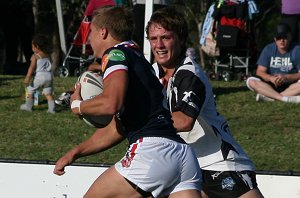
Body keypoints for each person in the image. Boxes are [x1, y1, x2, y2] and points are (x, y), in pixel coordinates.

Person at [53, 6, 202, 198]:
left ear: (103, 32)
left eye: (91, 33)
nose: (89, 40)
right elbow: (118, 128)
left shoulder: (115, 54)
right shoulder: (138, 59)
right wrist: (75, 152)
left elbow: (110, 104)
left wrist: (77, 105)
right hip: (182, 156)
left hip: (152, 152)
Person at [146, 6, 264, 198]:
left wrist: (143, 121)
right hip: (186, 165)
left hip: (219, 162)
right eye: (153, 39)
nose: (159, 45)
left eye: (166, 37)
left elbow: (184, 121)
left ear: (181, 39)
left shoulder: (189, 74)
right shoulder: (151, 73)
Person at [247, 22, 300, 103]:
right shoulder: (268, 49)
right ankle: (283, 98)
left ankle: (271, 98)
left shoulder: (297, 49)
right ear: (275, 39)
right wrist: (271, 78)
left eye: (284, 37)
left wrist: (286, 77)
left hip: (291, 83)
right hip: (271, 84)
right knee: (251, 81)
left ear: (290, 37)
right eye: (279, 37)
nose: (281, 40)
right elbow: (260, 72)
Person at [20, 34, 55, 114]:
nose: (32, 49)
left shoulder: (35, 56)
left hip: (40, 76)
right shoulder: (47, 55)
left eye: (32, 47)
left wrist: (27, 77)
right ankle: (51, 109)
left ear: (37, 47)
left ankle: (28, 107)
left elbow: (31, 68)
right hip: (49, 76)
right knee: (48, 93)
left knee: (30, 90)